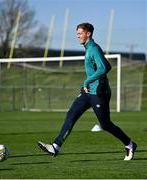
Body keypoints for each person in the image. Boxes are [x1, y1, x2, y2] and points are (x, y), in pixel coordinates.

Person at [38, 22, 137, 161]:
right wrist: (87, 84)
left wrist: (86, 81)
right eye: (77, 33)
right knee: (71, 114)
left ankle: (129, 144)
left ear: (88, 34)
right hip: (87, 91)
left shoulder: (94, 49)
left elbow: (105, 68)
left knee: (106, 124)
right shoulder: (88, 48)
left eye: (80, 33)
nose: (78, 36)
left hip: (99, 93)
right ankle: (56, 146)